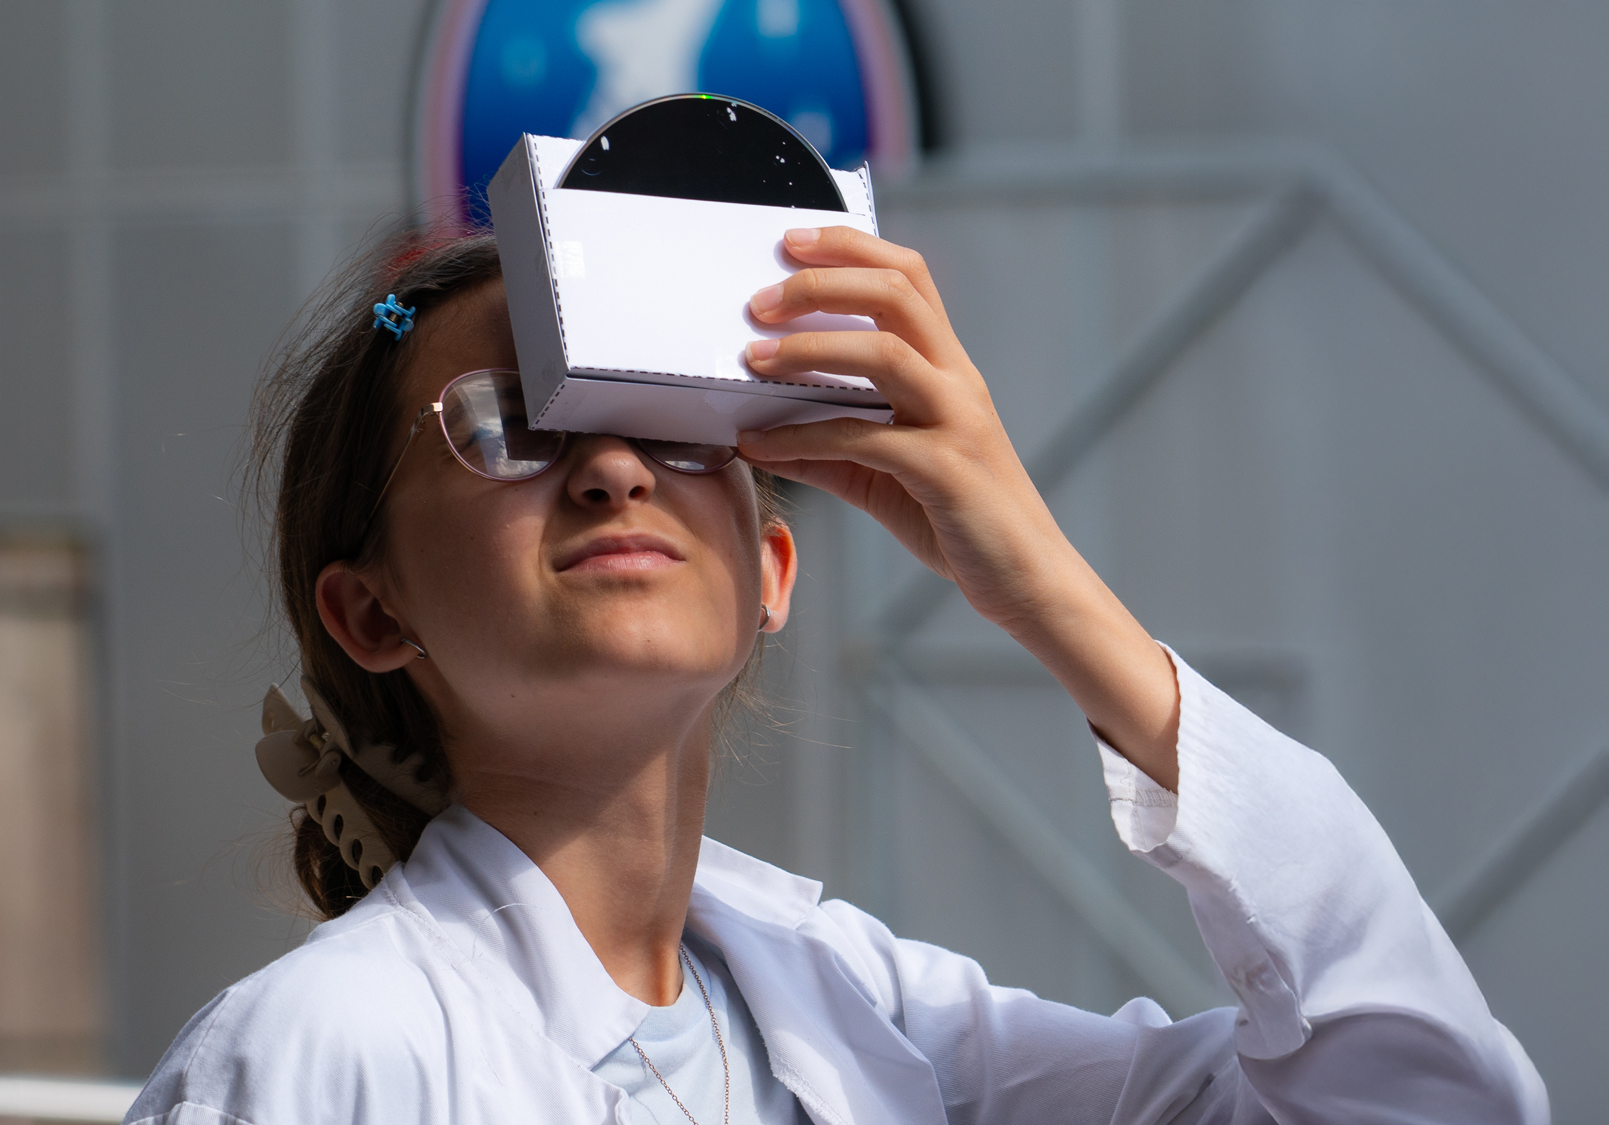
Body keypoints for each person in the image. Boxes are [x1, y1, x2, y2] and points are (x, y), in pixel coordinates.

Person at [124, 227, 1546, 1124]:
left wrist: (1045, 582)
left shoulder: (877, 1028)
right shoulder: (328, 1054)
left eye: (678, 423)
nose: (613, 466)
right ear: (369, 613)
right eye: (509, 423)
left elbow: (1428, 1097)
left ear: (772, 575)